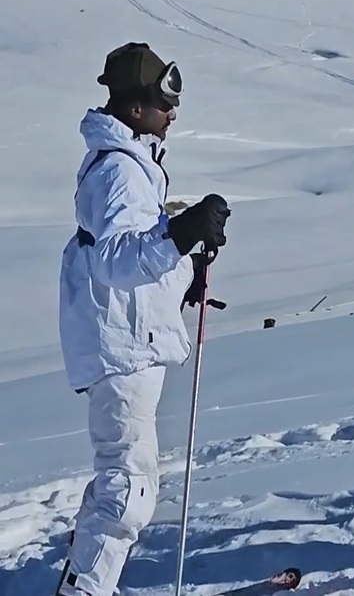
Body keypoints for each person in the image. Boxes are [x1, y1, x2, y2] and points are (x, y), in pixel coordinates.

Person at [56, 42, 231, 596]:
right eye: (164, 100)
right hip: (121, 347)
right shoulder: (118, 172)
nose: (172, 112)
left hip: (130, 339)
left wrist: (185, 268)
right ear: (135, 108)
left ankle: (80, 581)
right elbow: (115, 262)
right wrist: (181, 234)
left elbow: (134, 250)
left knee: (123, 480)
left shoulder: (134, 163)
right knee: (126, 488)